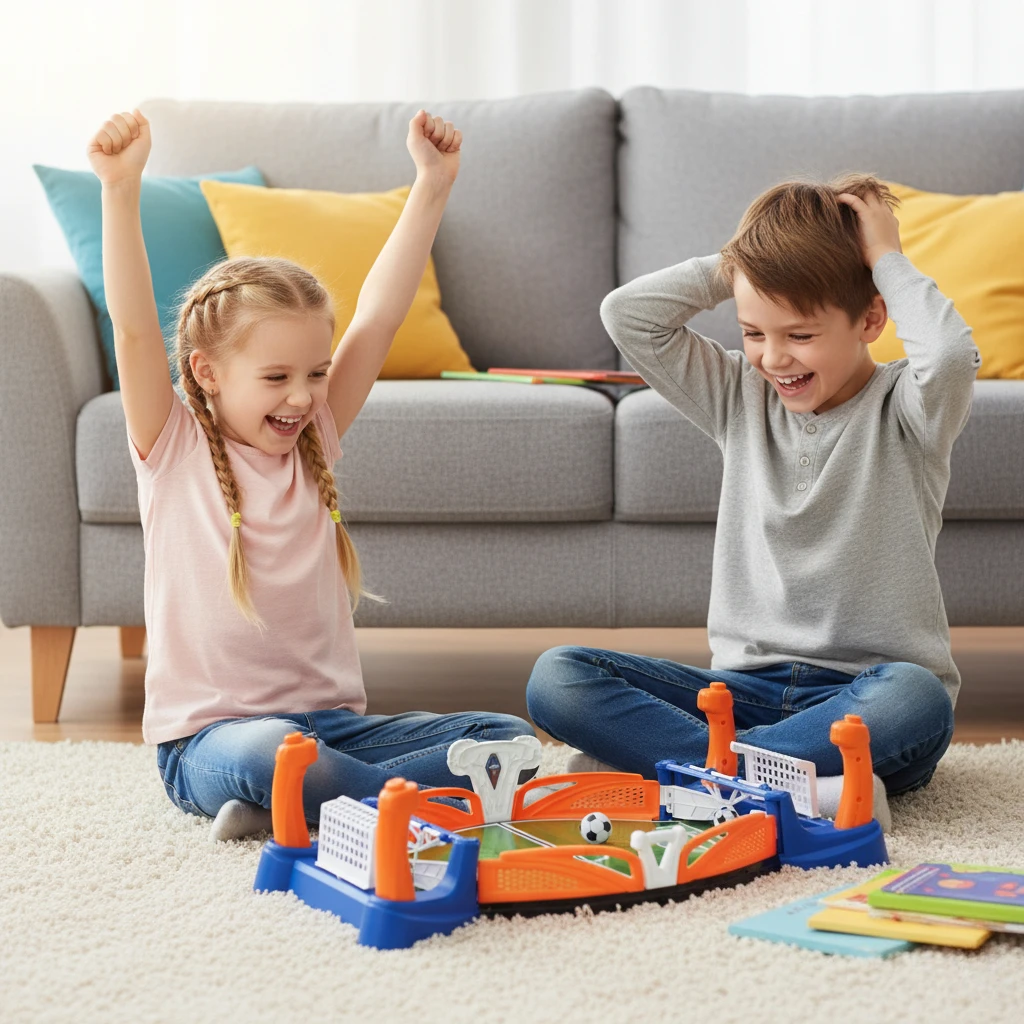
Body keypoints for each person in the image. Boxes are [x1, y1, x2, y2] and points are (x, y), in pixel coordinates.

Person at [89, 107, 533, 840]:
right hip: (212, 743)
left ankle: (300, 807)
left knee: (504, 733)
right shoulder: (174, 448)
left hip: (333, 729)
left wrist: (432, 185)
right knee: (277, 752)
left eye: (316, 374)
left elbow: (379, 321)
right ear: (206, 372)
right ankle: (368, 804)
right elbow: (134, 329)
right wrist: (119, 188)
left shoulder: (313, 441)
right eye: (276, 377)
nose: (302, 396)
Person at [527, 175, 982, 830]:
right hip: (739, 697)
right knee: (558, 677)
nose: (773, 358)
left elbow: (948, 356)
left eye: (799, 336)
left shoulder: (909, 411)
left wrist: (884, 256)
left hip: (863, 697)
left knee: (918, 698)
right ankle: (784, 788)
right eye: (754, 332)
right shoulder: (738, 395)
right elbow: (627, 316)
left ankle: (683, 777)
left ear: (872, 319)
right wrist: (738, 265)